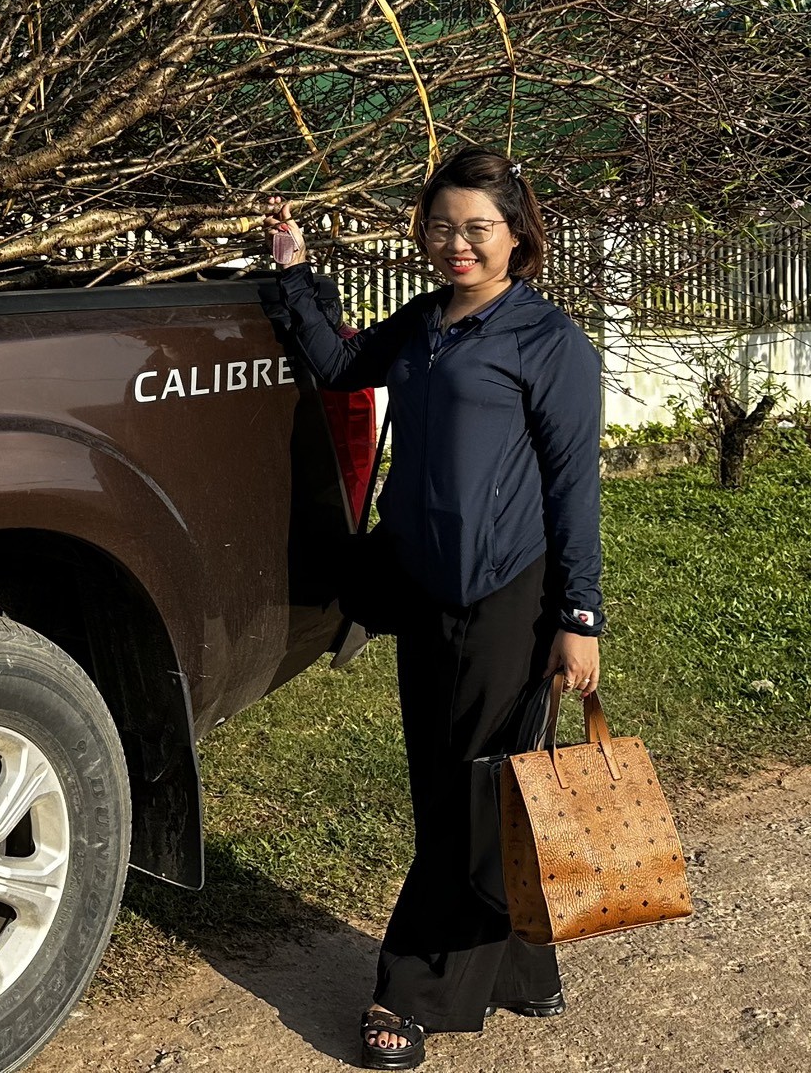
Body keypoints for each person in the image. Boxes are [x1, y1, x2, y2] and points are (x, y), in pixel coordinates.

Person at [262, 149, 603, 1067]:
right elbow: (338, 366)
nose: (457, 244)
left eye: (477, 228)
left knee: (477, 789)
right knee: (453, 784)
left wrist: (579, 617)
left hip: (511, 596)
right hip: (422, 585)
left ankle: (408, 992)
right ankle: (523, 967)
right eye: (442, 226)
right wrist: (296, 273)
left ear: (517, 236)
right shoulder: (421, 326)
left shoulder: (549, 342)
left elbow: (574, 488)